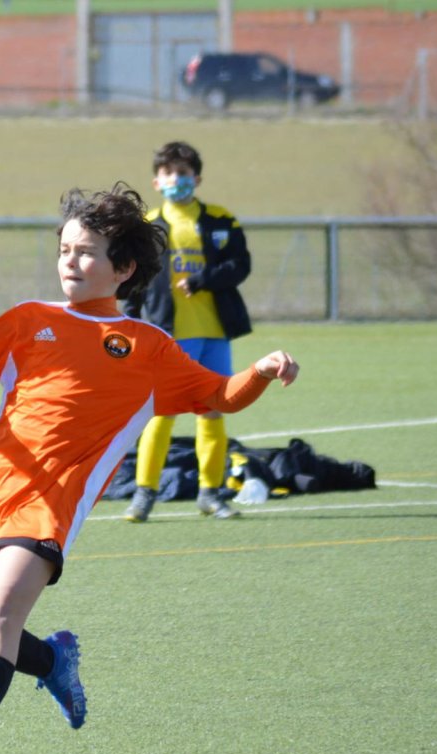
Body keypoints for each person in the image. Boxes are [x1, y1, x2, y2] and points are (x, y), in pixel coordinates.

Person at [0, 182, 298, 754]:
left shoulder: (147, 347)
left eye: (86, 252)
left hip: (52, 502)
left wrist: (261, 371)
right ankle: (52, 661)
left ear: (124, 269)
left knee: (0, 613)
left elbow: (219, 396)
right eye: (65, 249)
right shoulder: (28, 320)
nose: (70, 261)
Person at [120, 140, 252, 522]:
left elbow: (241, 265)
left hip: (215, 334)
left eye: (183, 173)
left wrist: (204, 279)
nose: (176, 179)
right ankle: (144, 494)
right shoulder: (147, 227)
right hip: (170, 336)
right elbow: (133, 280)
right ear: (156, 182)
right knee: (161, 414)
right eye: (168, 173)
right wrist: (130, 322)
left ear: (197, 178)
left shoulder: (221, 220)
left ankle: (211, 494)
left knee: (212, 412)